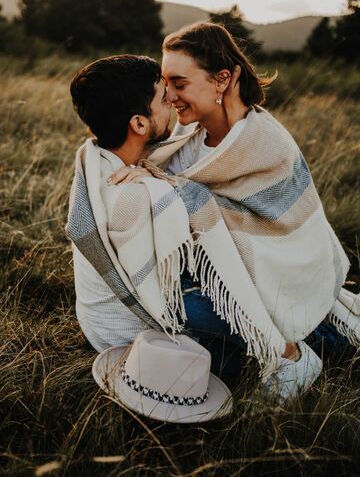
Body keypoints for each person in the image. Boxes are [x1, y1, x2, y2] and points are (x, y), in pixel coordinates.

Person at [67, 49, 355, 403]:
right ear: (139, 124)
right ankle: (290, 352)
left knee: (246, 279)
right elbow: (203, 274)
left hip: (109, 329)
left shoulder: (96, 158)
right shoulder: (136, 195)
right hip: (146, 336)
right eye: (162, 97)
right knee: (246, 276)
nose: (172, 100)